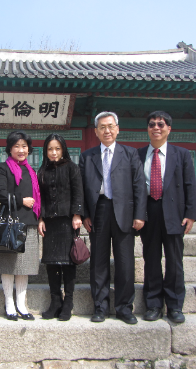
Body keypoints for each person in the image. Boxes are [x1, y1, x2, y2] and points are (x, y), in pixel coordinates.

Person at [79, 111, 147, 324]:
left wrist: (139, 215)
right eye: (102, 127)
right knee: (98, 262)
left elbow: (139, 186)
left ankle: (124, 308)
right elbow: (81, 188)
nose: (107, 130)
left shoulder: (130, 154)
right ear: (96, 132)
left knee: (125, 263)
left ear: (117, 129)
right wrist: (85, 214)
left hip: (125, 213)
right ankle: (100, 307)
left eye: (110, 126)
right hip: (98, 211)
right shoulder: (87, 156)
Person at [138, 111, 196, 324]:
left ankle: (174, 306)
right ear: (148, 128)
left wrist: (191, 214)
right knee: (151, 260)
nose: (156, 127)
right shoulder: (139, 154)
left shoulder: (181, 154)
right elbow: (134, 188)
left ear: (168, 129)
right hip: (149, 214)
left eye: (161, 124)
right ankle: (153, 304)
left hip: (174, 214)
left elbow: (190, 185)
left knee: (174, 261)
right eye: (152, 124)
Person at [0, 131, 41, 321]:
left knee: (25, 266)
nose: (21, 150)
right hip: (10, 223)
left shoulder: (31, 170)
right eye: (16, 146)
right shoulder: (2, 168)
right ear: (9, 149)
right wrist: (22, 200)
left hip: (29, 222)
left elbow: (38, 198)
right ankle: (9, 304)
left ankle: (21, 304)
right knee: (8, 265)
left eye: (24, 146)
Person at [37, 134, 84, 321]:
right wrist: (40, 218)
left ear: (63, 149)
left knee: (68, 262)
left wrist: (77, 214)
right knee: (51, 262)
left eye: (57, 148)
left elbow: (78, 191)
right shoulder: (42, 170)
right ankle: (55, 300)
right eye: (50, 149)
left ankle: (68, 302)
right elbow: (39, 196)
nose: (54, 152)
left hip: (68, 220)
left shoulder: (72, 168)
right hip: (49, 222)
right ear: (45, 151)